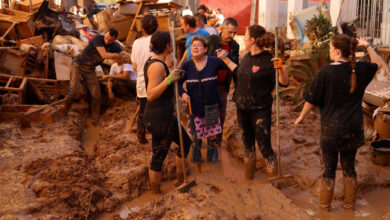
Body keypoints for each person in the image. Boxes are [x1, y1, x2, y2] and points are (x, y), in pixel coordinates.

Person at [292, 35, 381, 211]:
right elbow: (377, 63)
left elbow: (312, 99)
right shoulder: (360, 69)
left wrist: (301, 116)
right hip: (353, 128)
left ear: (338, 51)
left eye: (331, 48)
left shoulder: (325, 72)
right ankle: (350, 207)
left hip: (331, 129)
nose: (329, 51)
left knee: (329, 169)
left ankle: (324, 208)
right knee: (349, 168)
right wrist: (367, 46)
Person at [217, 24, 289, 179]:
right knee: (247, 144)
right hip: (242, 107)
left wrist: (281, 68)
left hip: (260, 109)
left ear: (252, 40)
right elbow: (238, 71)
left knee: (264, 146)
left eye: (246, 36)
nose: (243, 39)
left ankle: (274, 179)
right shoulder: (247, 57)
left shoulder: (269, 59)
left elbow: (284, 83)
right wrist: (224, 58)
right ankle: (249, 178)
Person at [144, 31, 192, 194]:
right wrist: (169, 80)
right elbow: (150, 94)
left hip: (163, 114)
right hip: (158, 116)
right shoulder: (157, 65)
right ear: (167, 46)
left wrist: (174, 80)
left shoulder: (158, 61)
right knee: (159, 155)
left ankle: (180, 177)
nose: (172, 46)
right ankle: (155, 192)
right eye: (171, 43)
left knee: (185, 142)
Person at [179, 36, 228, 163]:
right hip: (194, 108)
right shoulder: (187, 65)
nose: (195, 47)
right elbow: (177, 83)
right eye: (193, 45)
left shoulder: (213, 62)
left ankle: (212, 154)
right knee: (196, 135)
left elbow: (230, 65)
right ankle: (197, 155)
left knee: (211, 134)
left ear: (206, 49)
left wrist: (226, 55)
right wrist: (183, 94)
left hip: (211, 106)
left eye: (198, 45)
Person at [65, 28, 122, 120]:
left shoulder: (115, 46)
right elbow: (104, 55)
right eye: (106, 38)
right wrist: (117, 55)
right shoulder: (98, 38)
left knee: (96, 94)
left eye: (110, 40)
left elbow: (123, 53)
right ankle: (64, 111)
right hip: (78, 65)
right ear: (105, 34)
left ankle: (95, 117)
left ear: (115, 39)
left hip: (90, 69)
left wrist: (131, 58)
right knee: (73, 90)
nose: (107, 41)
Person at [207, 17, 239, 147]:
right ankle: (208, 143)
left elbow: (236, 66)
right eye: (230, 32)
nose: (232, 36)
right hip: (208, 85)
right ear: (222, 29)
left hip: (223, 85)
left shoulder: (235, 46)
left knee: (221, 116)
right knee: (209, 115)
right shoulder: (211, 41)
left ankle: (217, 145)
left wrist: (237, 87)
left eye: (234, 33)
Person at [131, 14, 158, 144]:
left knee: (143, 110)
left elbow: (135, 67)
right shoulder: (159, 40)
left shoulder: (136, 43)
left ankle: (141, 135)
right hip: (157, 81)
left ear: (142, 27)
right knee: (158, 109)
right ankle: (157, 136)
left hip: (142, 82)